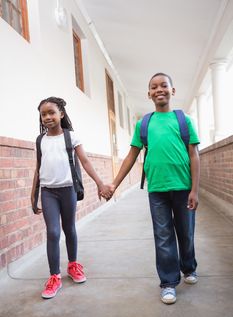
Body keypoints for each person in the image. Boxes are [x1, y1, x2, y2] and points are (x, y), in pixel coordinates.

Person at [101, 73, 200, 304]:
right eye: (154, 87)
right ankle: (168, 282)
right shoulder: (143, 124)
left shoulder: (183, 120)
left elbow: (194, 155)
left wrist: (195, 190)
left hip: (184, 187)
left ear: (172, 91)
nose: (159, 90)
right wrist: (114, 184)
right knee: (163, 235)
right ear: (148, 94)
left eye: (164, 86)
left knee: (186, 233)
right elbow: (130, 156)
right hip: (157, 189)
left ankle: (189, 267)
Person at [31, 97, 111, 299]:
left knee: (70, 229)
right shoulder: (40, 140)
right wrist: (34, 195)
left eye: (51, 113)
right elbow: (38, 170)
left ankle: (73, 266)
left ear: (61, 114)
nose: (47, 117)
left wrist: (100, 184)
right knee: (53, 232)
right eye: (43, 114)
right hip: (48, 191)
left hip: (68, 191)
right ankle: (54, 276)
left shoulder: (71, 137)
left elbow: (85, 161)